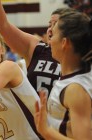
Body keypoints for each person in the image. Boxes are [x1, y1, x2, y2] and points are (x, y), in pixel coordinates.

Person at [0, 0, 77, 96]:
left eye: (55, 25)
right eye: (49, 25)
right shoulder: (37, 48)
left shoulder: (81, 56)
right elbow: (1, 26)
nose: (50, 29)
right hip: (33, 110)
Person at [34, 10, 92, 140]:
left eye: (53, 34)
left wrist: (46, 131)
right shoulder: (75, 75)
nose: (50, 39)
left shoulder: (75, 89)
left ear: (64, 42)